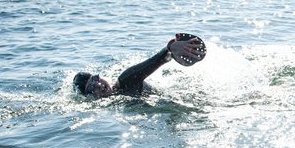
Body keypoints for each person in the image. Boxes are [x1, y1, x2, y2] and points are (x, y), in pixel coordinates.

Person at [72, 33, 206, 98]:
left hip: (177, 97)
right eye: (92, 87)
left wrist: (170, 47)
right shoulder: (115, 99)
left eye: (95, 79)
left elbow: (155, 61)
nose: (99, 85)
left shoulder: (125, 81)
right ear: (89, 96)